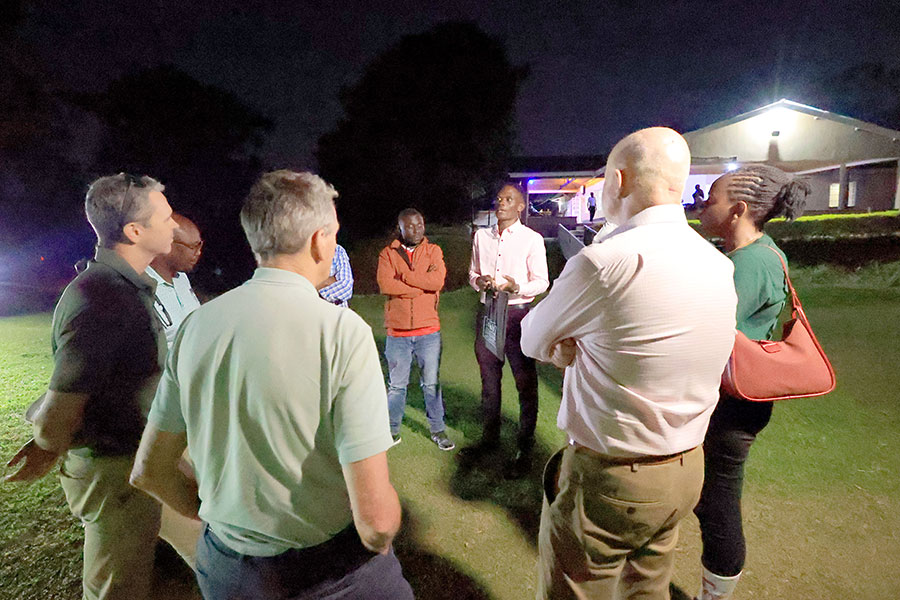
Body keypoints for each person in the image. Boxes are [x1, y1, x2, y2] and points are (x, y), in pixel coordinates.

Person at [129, 170, 413, 600]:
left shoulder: (196, 327)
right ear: (319, 240)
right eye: (333, 234)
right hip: (331, 575)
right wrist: (388, 521)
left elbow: (149, 470)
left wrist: (218, 521)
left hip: (228, 570)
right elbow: (375, 526)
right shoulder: (339, 332)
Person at [520, 128, 738, 600]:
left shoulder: (604, 262)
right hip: (685, 467)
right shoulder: (717, 263)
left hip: (613, 477)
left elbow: (532, 337)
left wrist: (565, 347)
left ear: (619, 180)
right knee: (647, 591)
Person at [5, 173, 178, 600]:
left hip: (121, 460)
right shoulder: (105, 297)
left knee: (130, 572)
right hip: (111, 468)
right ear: (135, 231)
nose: (174, 226)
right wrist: (48, 441)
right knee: (116, 587)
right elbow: (64, 402)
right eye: (167, 217)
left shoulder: (118, 287)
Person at [693, 165, 810, 600]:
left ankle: (717, 591)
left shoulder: (749, 263)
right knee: (708, 498)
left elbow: (710, 334)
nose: (703, 202)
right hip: (734, 395)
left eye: (712, 198)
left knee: (717, 502)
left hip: (733, 402)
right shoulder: (751, 253)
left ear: (738, 209)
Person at [463, 182, 549, 479]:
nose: (501, 203)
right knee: (489, 382)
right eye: (499, 198)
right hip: (488, 312)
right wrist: (480, 282)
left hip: (517, 316)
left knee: (525, 384)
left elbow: (542, 282)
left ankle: (525, 447)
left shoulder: (531, 239)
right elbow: (472, 273)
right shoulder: (480, 237)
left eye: (509, 199)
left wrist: (517, 286)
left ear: (520, 206)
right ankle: (490, 440)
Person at [376, 208, 453, 451]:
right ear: (400, 228)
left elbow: (437, 282)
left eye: (420, 224)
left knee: (431, 384)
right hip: (397, 333)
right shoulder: (387, 254)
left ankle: (437, 430)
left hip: (429, 331)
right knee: (396, 386)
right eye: (410, 226)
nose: (417, 229)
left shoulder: (434, 251)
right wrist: (420, 285)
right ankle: (392, 430)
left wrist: (405, 277)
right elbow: (385, 284)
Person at [146, 213, 203, 347]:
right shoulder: (141, 286)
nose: (199, 252)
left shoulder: (181, 279)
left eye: (200, 245)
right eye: (193, 247)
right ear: (167, 245)